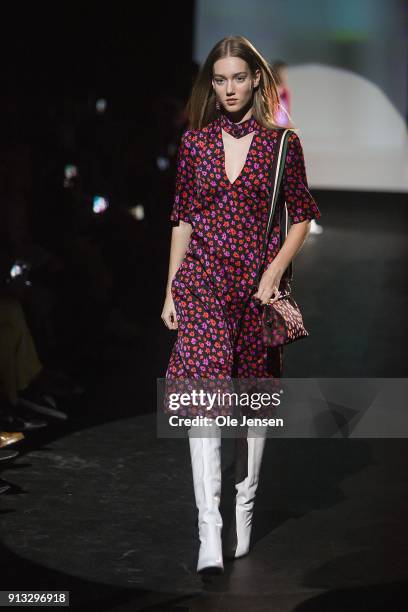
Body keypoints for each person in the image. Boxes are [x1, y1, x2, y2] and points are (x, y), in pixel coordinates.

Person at [161, 35, 321, 575]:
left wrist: (273, 272)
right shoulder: (195, 145)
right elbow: (182, 219)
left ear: (256, 80)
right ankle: (209, 526)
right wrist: (170, 288)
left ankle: (244, 505)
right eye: (220, 79)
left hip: (255, 288)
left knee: (252, 403)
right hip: (203, 284)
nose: (228, 88)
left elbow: (301, 214)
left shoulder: (282, 145)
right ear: (212, 84)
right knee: (200, 403)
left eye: (238, 78)